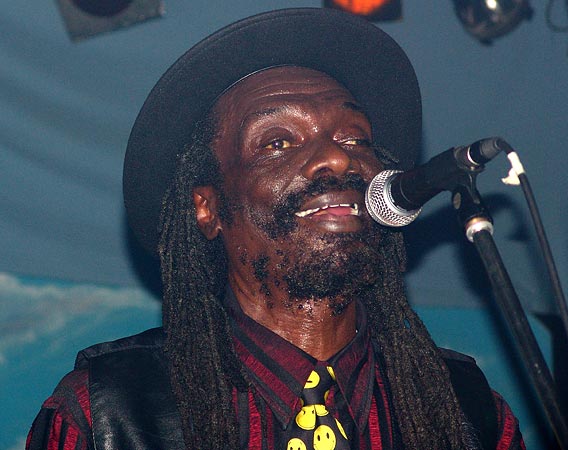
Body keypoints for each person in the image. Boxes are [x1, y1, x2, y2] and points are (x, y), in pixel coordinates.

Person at [27, 8, 524, 450]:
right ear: (207, 209)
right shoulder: (107, 415)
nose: (337, 157)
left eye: (355, 138)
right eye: (278, 143)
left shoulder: (469, 411)